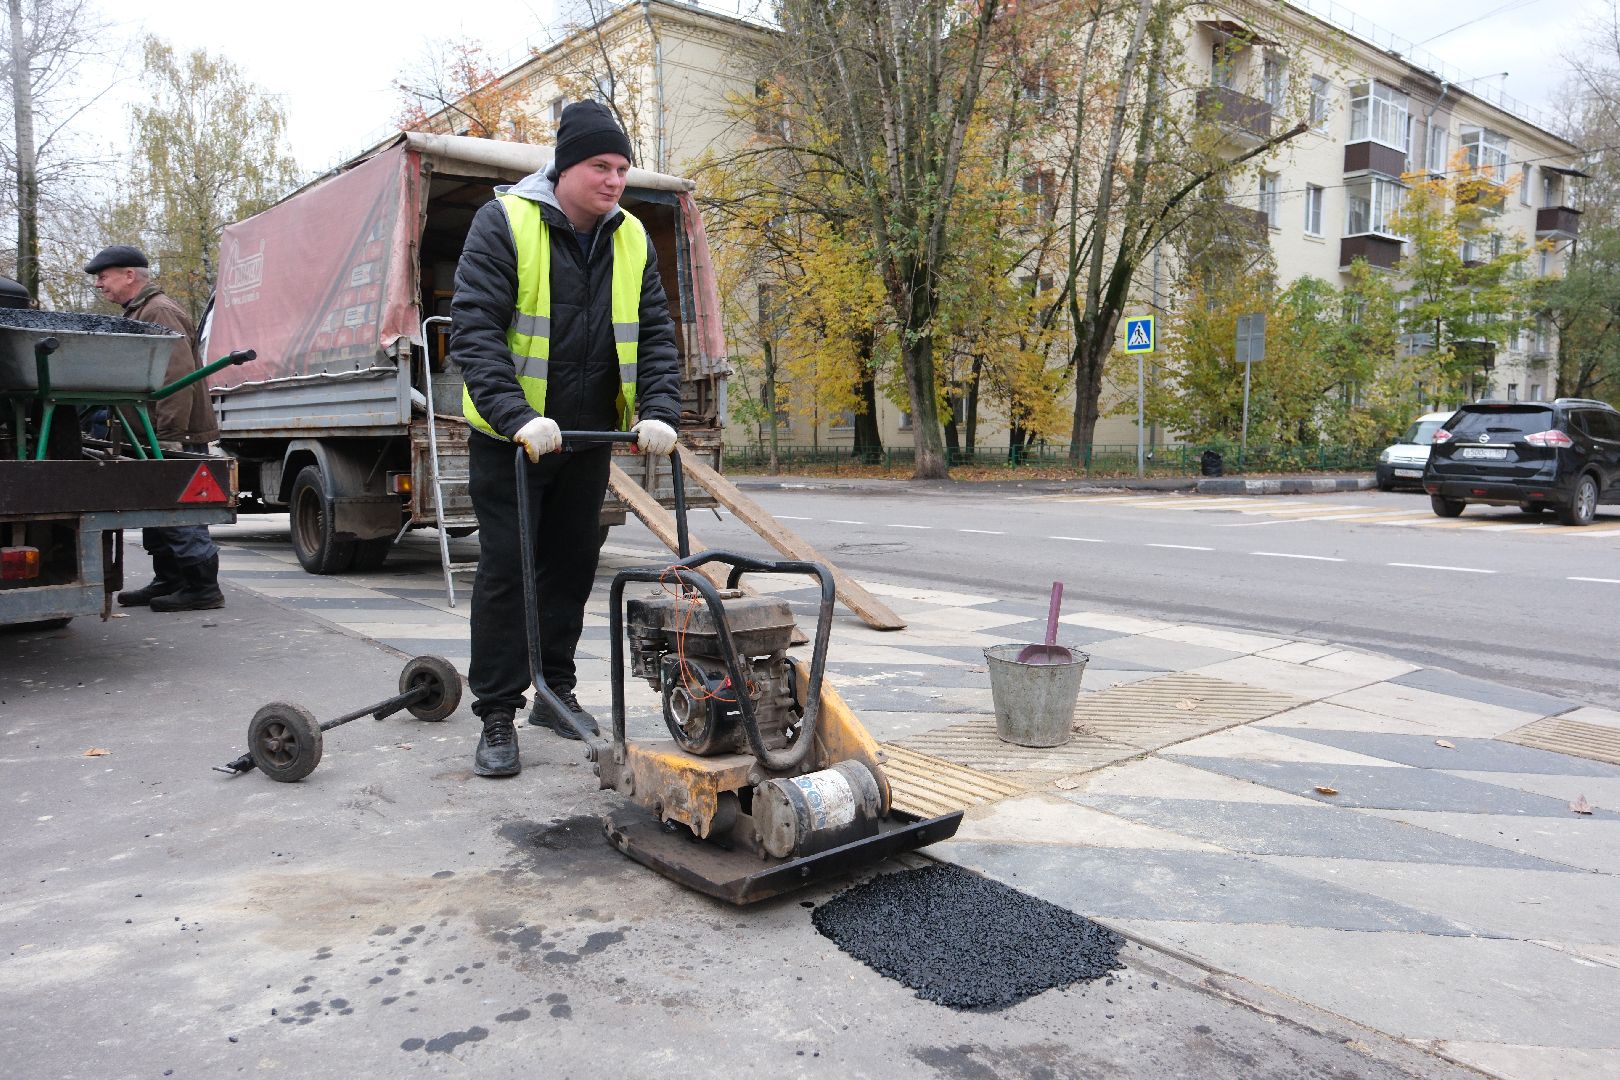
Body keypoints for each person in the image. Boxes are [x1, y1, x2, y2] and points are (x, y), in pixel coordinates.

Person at [452, 101, 683, 778]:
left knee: (572, 564)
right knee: (508, 570)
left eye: (622, 168)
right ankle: (497, 711)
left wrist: (660, 409)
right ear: (564, 166)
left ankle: (554, 692)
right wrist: (517, 417)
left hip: (585, 439)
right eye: (599, 166)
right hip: (512, 438)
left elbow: (656, 336)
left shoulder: (632, 238)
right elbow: (476, 331)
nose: (614, 180)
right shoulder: (504, 223)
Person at [83, 245, 224, 612]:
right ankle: (170, 580)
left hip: (172, 435)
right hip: (151, 434)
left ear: (129, 275)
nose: (99, 284)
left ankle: (202, 587)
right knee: (158, 510)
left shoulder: (159, 311)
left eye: (103, 276)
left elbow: (175, 377)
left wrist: (169, 436)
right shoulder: (141, 311)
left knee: (178, 510)